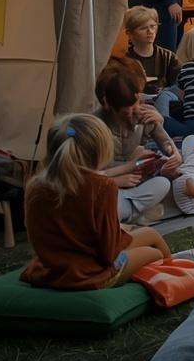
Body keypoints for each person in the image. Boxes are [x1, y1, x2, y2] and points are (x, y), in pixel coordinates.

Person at [21, 114, 172, 290]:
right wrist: (120, 233)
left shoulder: (35, 186)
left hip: (48, 270)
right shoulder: (101, 186)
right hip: (88, 275)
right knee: (154, 253)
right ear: (99, 151)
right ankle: (177, 281)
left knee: (151, 234)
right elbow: (109, 252)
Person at [94, 57, 179, 223]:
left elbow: (166, 143)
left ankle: (129, 213)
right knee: (106, 204)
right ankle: (135, 213)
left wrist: (173, 153)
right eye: (127, 112)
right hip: (106, 185)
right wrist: (116, 181)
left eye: (137, 104)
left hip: (136, 183)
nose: (134, 112)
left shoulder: (144, 114)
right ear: (109, 106)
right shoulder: (96, 125)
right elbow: (88, 175)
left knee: (163, 183)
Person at [122, 6, 178, 97]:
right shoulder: (123, 60)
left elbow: (178, 87)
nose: (150, 31)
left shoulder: (169, 57)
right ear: (129, 33)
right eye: (143, 28)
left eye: (153, 26)